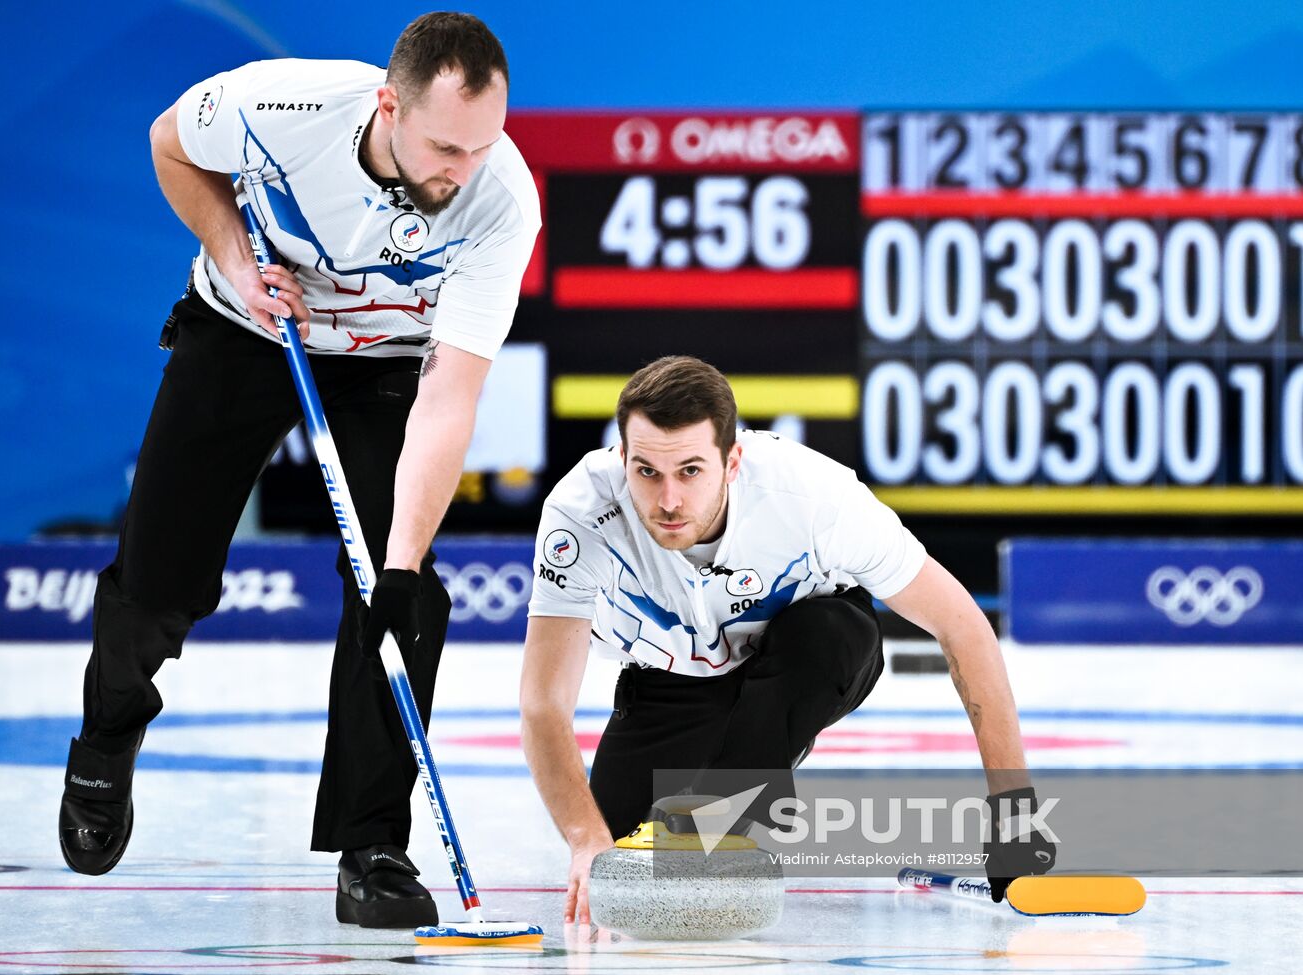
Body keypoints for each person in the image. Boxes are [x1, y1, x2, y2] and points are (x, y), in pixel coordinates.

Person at [58, 12, 540, 931]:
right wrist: (237, 261)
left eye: (482, 146)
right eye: (444, 145)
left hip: (386, 358)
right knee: (157, 584)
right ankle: (107, 738)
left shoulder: (500, 199)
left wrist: (398, 568)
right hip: (244, 325)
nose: (462, 170)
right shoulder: (279, 105)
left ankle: (372, 845)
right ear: (388, 106)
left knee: (402, 599)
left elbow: (451, 395)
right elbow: (169, 145)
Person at [519, 356, 1054, 925]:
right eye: (647, 472)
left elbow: (963, 627)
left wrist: (1014, 816)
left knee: (826, 632)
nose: (669, 500)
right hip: (670, 679)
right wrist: (583, 838)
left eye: (691, 471)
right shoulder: (580, 513)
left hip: (807, 654)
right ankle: (726, 793)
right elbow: (543, 702)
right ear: (622, 458)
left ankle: (742, 795)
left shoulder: (815, 498)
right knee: (620, 857)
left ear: (733, 461)